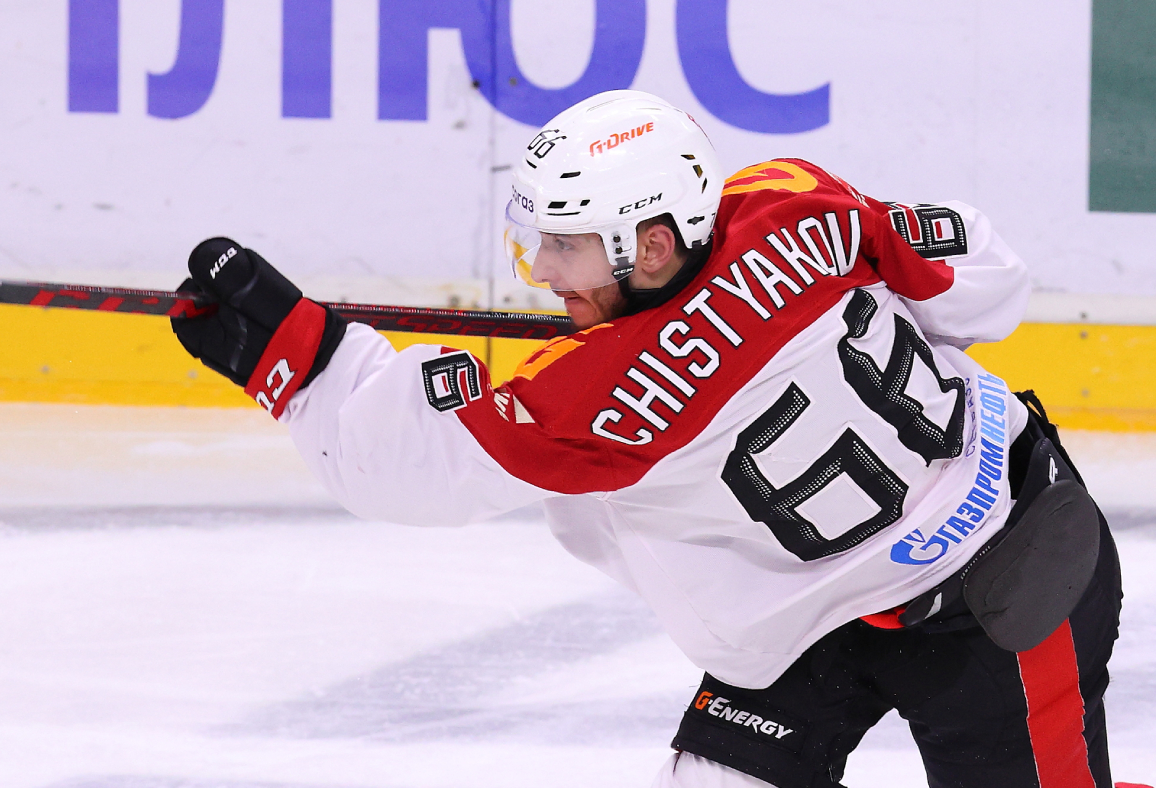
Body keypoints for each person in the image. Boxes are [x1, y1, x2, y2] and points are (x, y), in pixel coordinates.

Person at [170, 90, 1124, 787]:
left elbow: (407, 465)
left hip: (999, 583)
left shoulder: (591, 401)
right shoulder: (795, 198)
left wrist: (299, 359)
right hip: (819, 610)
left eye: (566, 244)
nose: (545, 270)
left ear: (654, 244)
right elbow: (988, 283)